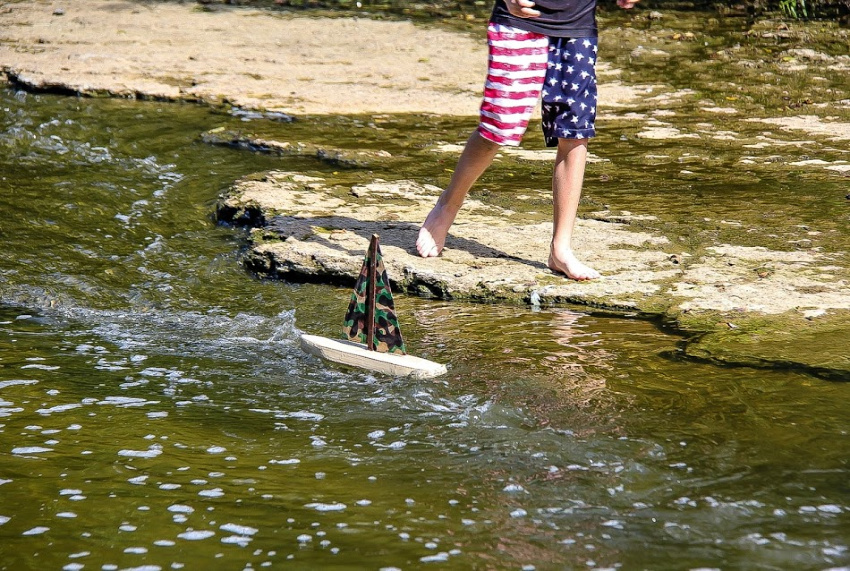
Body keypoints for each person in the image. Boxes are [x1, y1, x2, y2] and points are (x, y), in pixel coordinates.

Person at [416, 0, 639, 280]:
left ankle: (561, 248)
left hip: (577, 27)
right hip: (518, 21)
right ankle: (447, 206)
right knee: (498, 126)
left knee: (575, 132)